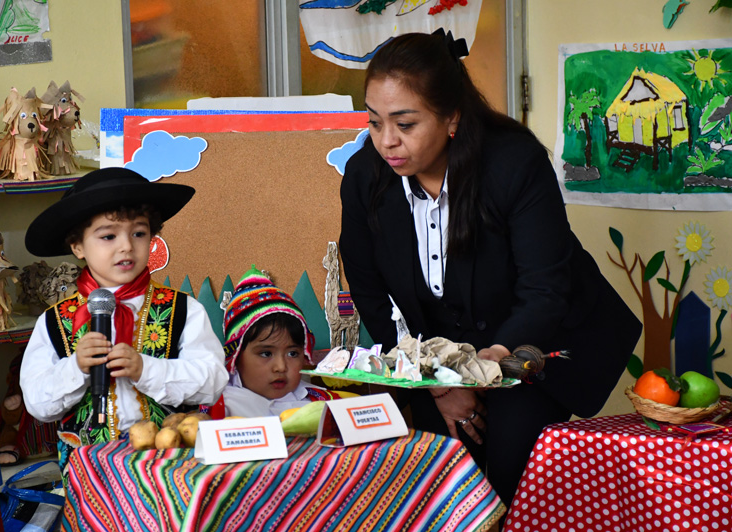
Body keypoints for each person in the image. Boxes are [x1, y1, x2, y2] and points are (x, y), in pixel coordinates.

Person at [338, 32, 642, 510]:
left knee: (507, 474)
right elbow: (369, 289)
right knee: (438, 486)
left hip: (531, 347)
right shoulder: (365, 176)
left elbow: (545, 288)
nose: (387, 141)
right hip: (438, 361)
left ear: (452, 117)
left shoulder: (513, 163)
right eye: (374, 122)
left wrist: (486, 366)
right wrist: (438, 383)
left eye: (405, 123)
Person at [20, 167, 228, 471]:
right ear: (77, 246)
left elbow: (213, 381)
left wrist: (146, 369)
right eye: (108, 236)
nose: (127, 246)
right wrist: (76, 367)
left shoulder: (184, 309)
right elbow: (38, 403)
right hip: (89, 473)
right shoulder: (54, 322)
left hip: (172, 469)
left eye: (139, 233)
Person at [221, 265, 341, 417]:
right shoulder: (221, 408)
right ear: (235, 357)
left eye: (292, 353)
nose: (281, 367)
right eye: (266, 353)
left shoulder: (322, 402)